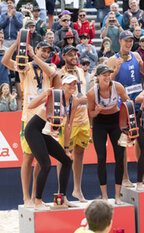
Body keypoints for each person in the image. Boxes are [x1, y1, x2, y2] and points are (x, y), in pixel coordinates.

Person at [2, 39, 58, 207]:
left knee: (42, 160)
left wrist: (34, 55)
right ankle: (26, 197)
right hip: (29, 119)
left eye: (48, 52)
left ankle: (35, 196)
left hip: (45, 119)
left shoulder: (50, 68)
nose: (46, 54)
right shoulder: (25, 66)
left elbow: (51, 73)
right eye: (43, 50)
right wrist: (18, 42)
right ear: (37, 48)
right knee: (27, 158)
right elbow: (5, 61)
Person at [25, 73, 79, 210]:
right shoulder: (54, 95)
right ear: (63, 85)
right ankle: (37, 201)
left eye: (74, 84)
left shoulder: (74, 101)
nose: (72, 86)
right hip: (34, 130)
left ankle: (62, 199)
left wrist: (67, 149)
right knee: (46, 165)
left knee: (67, 161)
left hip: (45, 133)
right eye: (69, 84)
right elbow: (30, 105)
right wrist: (45, 94)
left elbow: (68, 126)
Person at [87, 64, 129, 204]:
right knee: (101, 157)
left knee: (119, 156)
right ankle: (104, 196)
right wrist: (97, 111)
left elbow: (127, 102)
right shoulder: (92, 93)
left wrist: (128, 122)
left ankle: (117, 196)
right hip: (100, 123)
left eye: (108, 74)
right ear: (98, 77)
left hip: (116, 121)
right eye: (104, 75)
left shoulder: (117, 87)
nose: (107, 77)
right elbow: (91, 114)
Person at [107, 30, 144, 187]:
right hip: (122, 107)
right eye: (126, 41)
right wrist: (115, 72)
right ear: (120, 41)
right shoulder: (111, 60)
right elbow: (105, 84)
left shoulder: (136, 56)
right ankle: (125, 177)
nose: (129, 43)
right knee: (124, 143)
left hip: (138, 103)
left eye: (131, 41)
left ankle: (143, 175)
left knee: (141, 142)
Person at [57, 45, 91, 202]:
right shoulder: (60, 74)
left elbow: (83, 91)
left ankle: (77, 190)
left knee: (80, 154)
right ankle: (61, 192)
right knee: (63, 157)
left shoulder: (80, 71)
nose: (74, 57)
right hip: (67, 120)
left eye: (75, 54)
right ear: (64, 57)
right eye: (70, 55)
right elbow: (61, 97)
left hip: (83, 118)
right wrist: (77, 101)